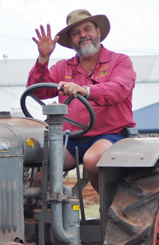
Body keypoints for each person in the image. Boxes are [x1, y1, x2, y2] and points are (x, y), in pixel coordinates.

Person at [28, 9, 137, 193]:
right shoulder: (63, 67)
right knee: (40, 169)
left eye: (87, 29)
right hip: (71, 138)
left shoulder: (119, 61)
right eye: (76, 33)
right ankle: (44, 209)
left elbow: (118, 90)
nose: (83, 35)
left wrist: (85, 90)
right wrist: (43, 58)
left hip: (110, 135)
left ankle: (111, 207)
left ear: (98, 32)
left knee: (92, 159)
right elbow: (37, 91)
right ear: (71, 41)